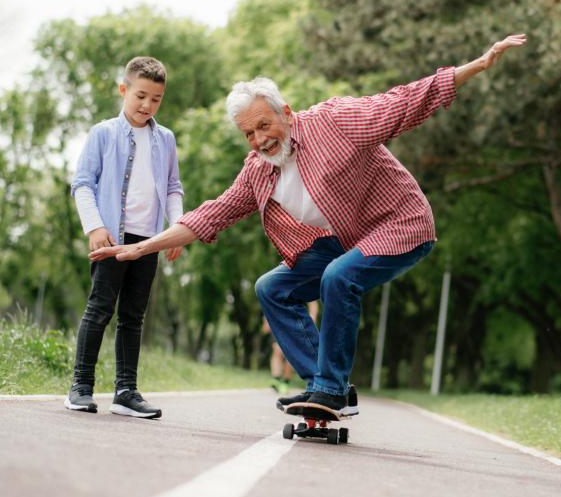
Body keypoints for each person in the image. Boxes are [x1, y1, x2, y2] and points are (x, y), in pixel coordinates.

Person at [89, 35, 526, 415]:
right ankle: (330, 386)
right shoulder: (258, 170)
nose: (260, 139)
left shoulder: (333, 122)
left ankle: (329, 389)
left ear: (287, 112)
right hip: (345, 239)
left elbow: (403, 102)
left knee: (339, 277)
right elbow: (210, 214)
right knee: (271, 288)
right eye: (249, 134)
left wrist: (477, 66)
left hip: (401, 224)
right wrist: (138, 249)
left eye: (265, 125)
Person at [65, 56, 184, 419]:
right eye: (141, 96)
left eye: (156, 99)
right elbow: (83, 183)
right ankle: (81, 387)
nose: (147, 105)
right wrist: (94, 226)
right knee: (100, 308)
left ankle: (125, 391)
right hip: (112, 238)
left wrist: (177, 227)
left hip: (148, 241)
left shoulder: (165, 139)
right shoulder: (103, 133)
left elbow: (173, 187)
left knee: (133, 316)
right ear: (124, 90)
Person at [265, 301, 319, 394]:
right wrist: (266, 319)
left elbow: (313, 302)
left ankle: (286, 382)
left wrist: (312, 317)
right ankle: (276, 378)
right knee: (277, 349)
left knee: (290, 353)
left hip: (295, 321)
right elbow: (269, 301)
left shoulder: (298, 286)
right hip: (278, 321)